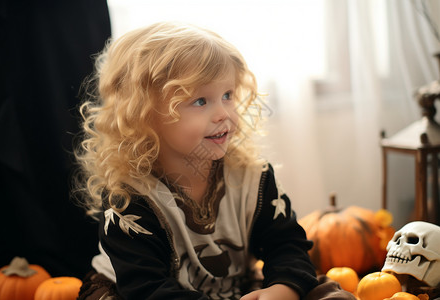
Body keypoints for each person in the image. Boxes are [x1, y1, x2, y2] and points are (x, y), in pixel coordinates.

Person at [74, 21, 325, 300]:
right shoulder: (130, 197)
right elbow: (146, 288)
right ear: (144, 115)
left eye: (227, 95)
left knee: (328, 291)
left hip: (232, 290)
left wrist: (283, 289)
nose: (223, 114)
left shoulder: (254, 177)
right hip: (139, 294)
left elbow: (287, 245)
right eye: (201, 101)